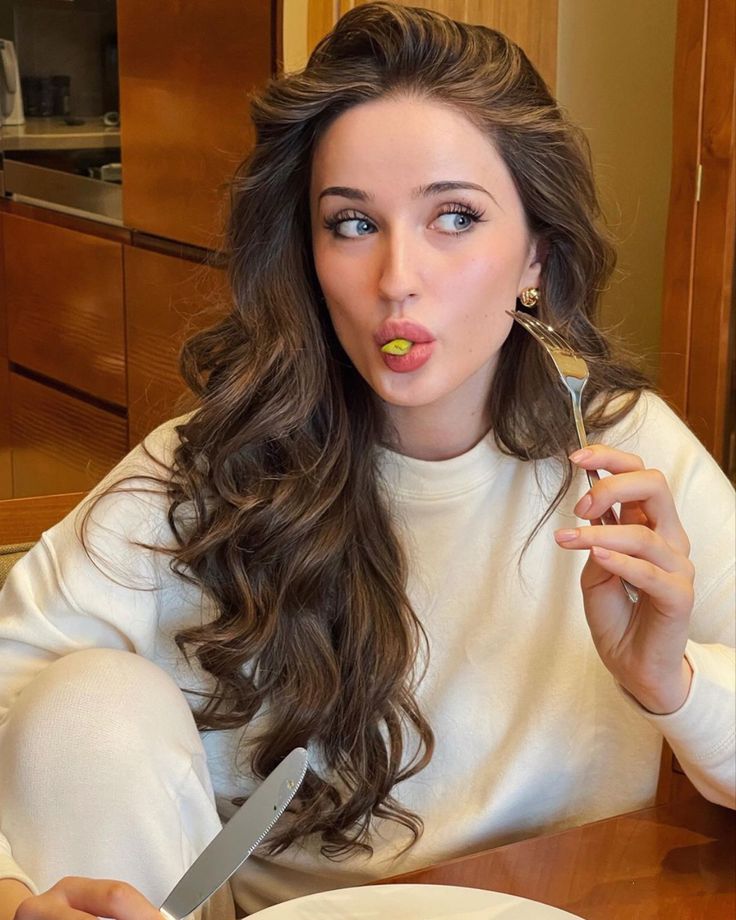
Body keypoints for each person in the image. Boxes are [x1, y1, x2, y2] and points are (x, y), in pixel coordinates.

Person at [1, 3, 734, 918]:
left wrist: (671, 683)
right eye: (351, 225)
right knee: (84, 702)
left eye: (455, 218)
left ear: (535, 257)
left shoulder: (628, 459)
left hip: (553, 899)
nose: (396, 278)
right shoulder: (212, 466)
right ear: (307, 255)